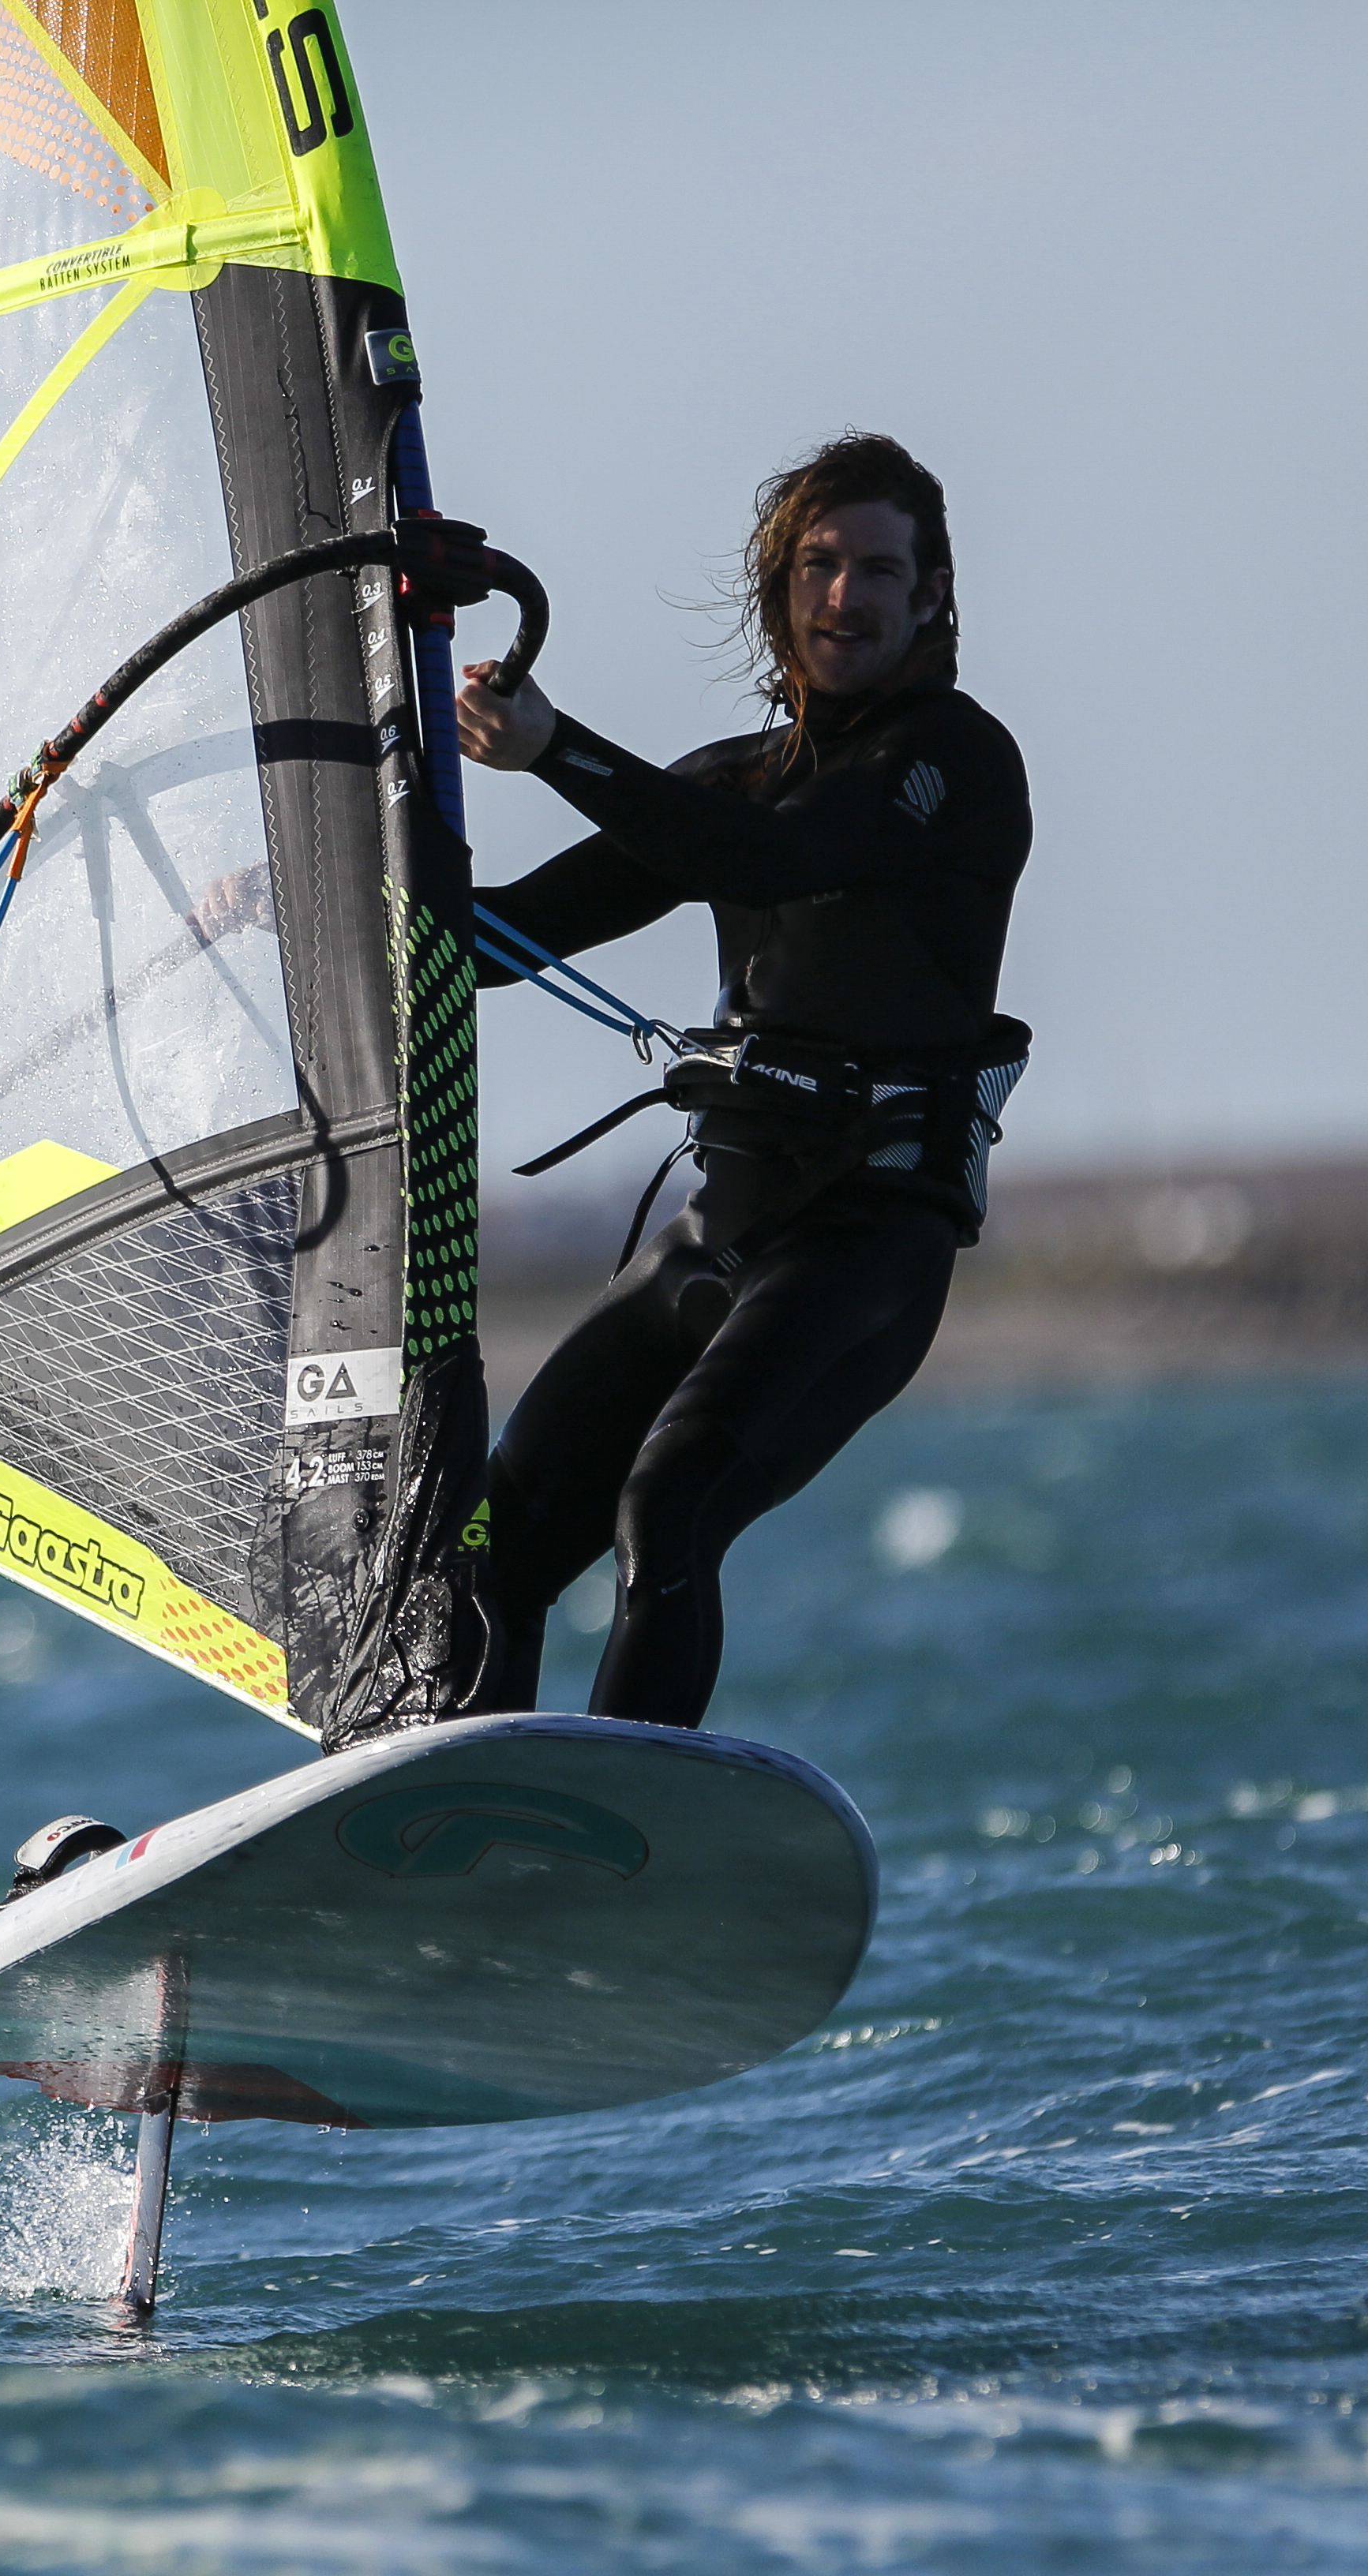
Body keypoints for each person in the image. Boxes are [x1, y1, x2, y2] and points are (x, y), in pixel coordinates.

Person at [451, 432, 1030, 1727]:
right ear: (781, 593)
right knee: (502, 1540)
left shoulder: (953, 767)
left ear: (931, 594)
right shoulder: (732, 785)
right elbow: (505, 942)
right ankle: (456, 1823)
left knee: (669, 1508)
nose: (847, 596)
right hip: (719, 1234)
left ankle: (610, 1838)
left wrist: (558, 751)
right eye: (820, 566)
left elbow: (775, 859)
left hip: (868, 1245)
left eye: (880, 569)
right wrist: (308, 888)